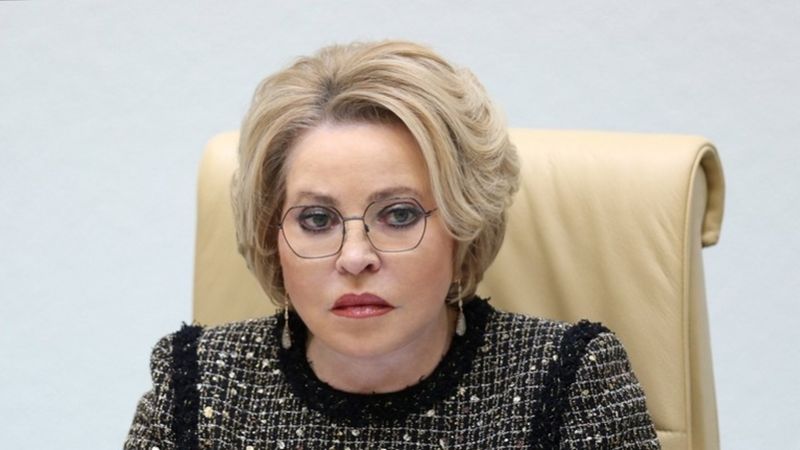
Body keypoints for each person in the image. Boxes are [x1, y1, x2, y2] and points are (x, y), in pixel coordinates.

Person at [125, 40, 661, 449]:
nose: (355, 257)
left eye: (399, 215)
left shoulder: (568, 379)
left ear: (464, 227)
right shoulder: (198, 385)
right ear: (273, 236)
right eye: (317, 219)